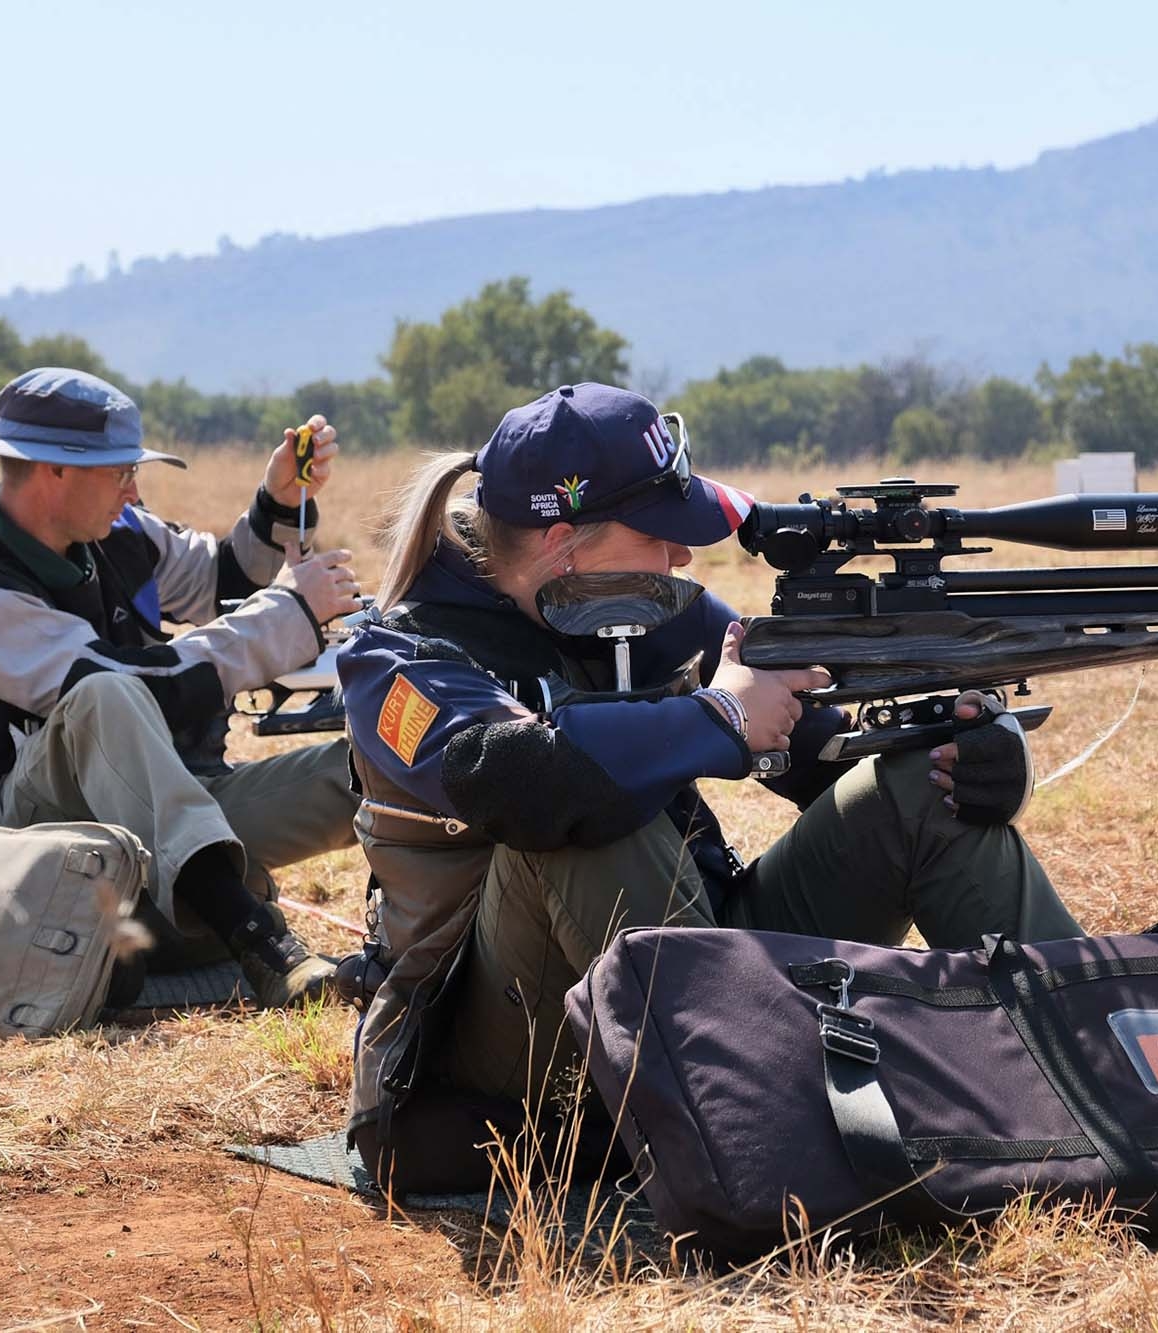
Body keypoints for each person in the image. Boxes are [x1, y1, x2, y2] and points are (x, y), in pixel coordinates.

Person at [339, 381, 1083, 1191]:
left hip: (683, 971)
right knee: (588, 815)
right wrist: (719, 717)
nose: (683, 558)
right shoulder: (397, 657)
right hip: (499, 1059)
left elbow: (822, 750)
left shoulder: (651, 607)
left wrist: (972, 751)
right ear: (564, 544)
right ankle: (766, 1147)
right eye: (658, 534)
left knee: (911, 796)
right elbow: (515, 782)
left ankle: (1113, 1080)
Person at [0, 367, 365, 1006]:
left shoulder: (118, 533)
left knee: (360, 770)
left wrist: (275, 500)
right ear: (53, 470)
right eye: (121, 471)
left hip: (139, 817)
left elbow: (222, 577)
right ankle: (256, 937)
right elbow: (124, 686)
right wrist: (291, 617)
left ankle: (435, 935)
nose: (134, 488)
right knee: (103, 699)